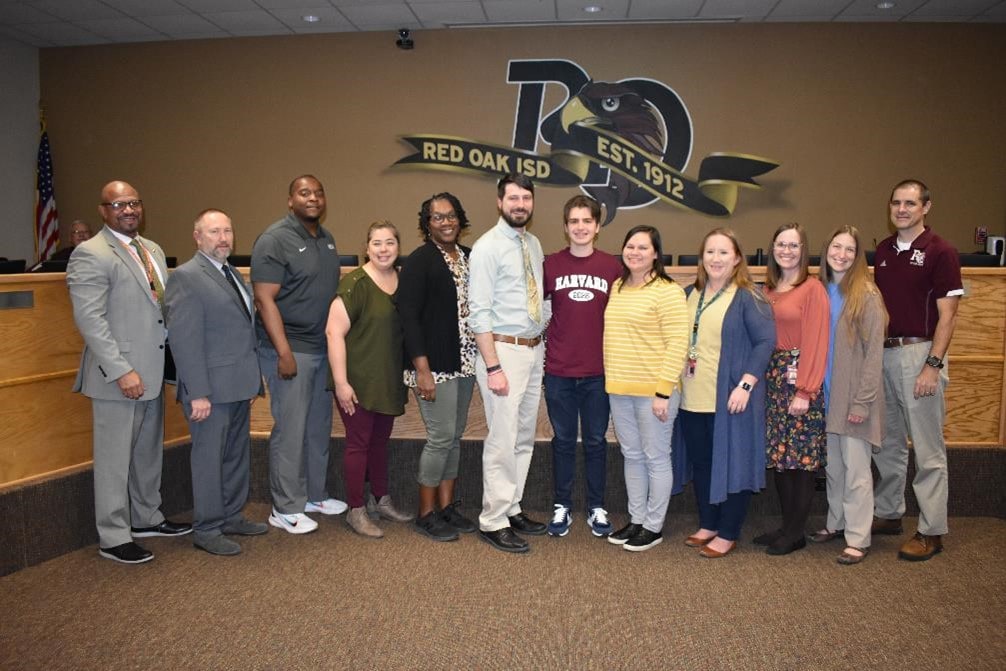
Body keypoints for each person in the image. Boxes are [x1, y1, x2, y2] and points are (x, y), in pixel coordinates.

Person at [66, 181, 191, 564]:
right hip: (118, 377)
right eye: (118, 204)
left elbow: (160, 309)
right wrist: (121, 370)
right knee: (115, 459)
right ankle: (114, 535)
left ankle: (147, 517)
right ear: (103, 211)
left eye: (134, 202)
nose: (128, 209)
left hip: (152, 371)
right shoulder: (90, 254)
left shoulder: (151, 249)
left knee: (146, 454)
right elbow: (90, 320)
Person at [165, 209, 268, 556]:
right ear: (197, 237)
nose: (223, 238)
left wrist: (252, 381)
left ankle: (230, 515)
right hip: (209, 391)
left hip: (238, 385)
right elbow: (184, 341)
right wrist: (198, 393)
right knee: (209, 459)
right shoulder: (186, 277)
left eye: (227, 230)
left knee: (236, 455)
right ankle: (207, 527)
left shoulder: (232, 273)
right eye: (213, 232)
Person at [671, 228, 775, 559]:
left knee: (734, 463)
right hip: (692, 396)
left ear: (737, 259)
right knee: (702, 463)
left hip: (731, 397)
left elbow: (765, 343)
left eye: (723, 253)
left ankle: (728, 531)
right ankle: (709, 523)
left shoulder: (749, 296)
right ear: (702, 258)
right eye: (710, 252)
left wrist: (746, 384)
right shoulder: (689, 293)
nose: (716, 259)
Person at [873, 179, 962, 561]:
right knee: (888, 443)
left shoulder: (940, 251)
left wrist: (932, 365)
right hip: (884, 355)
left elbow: (949, 315)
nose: (902, 209)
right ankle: (890, 512)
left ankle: (931, 530)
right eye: (896, 203)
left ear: (926, 207)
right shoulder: (883, 250)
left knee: (928, 451)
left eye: (910, 203)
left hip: (920, 354)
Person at [252, 175, 346, 535]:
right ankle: (285, 507)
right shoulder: (275, 239)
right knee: (290, 429)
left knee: (317, 426)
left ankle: (313, 495)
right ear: (290, 200)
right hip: (289, 350)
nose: (313, 198)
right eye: (305, 193)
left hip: (321, 349)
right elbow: (264, 298)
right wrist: (283, 352)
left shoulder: (327, 238)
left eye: (319, 193)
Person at [468, 173, 548, 553]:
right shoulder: (487, 247)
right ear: (499, 203)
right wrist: (494, 366)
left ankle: (512, 506)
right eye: (513, 198)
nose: (520, 204)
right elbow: (478, 313)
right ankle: (492, 519)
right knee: (502, 438)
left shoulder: (532, 243)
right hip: (503, 352)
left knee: (522, 437)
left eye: (526, 198)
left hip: (533, 349)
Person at [398, 193, 478, 542]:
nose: (446, 222)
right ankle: (425, 513)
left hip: (464, 363)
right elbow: (409, 317)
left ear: (460, 219)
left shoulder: (469, 257)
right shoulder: (419, 261)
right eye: (437, 218)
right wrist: (422, 369)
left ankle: (447, 508)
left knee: (454, 437)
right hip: (434, 366)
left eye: (451, 216)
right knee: (440, 437)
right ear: (427, 223)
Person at [603, 225, 688, 552]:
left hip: (655, 392)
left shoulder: (668, 291)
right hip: (620, 389)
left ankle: (653, 526)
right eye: (630, 246)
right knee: (632, 455)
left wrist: (664, 391)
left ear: (656, 253)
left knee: (655, 457)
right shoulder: (618, 286)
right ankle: (637, 520)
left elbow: (678, 343)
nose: (635, 252)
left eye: (643, 247)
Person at [542, 195, 621, 538]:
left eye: (586, 221)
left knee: (594, 442)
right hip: (559, 370)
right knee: (561, 440)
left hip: (598, 372)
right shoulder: (550, 265)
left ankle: (596, 506)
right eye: (574, 221)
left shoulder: (612, 268)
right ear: (565, 226)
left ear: (597, 226)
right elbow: (539, 314)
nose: (580, 227)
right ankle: (561, 505)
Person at [327, 221, 412, 538]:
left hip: (387, 380)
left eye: (390, 242)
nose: (384, 249)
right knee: (358, 445)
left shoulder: (402, 281)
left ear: (398, 247)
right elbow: (334, 332)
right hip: (357, 381)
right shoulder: (356, 284)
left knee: (379, 444)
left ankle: (380, 499)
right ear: (367, 248)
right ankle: (356, 509)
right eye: (377, 243)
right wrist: (341, 382)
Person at [810, 225, 887, 565]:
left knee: (857, 471)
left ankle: (858, 537)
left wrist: (862, 401)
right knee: (835, 468)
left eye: (849, 250)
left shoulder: (866, 294)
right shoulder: (821, 289)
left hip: (855, 398)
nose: (841, 254)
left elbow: (874, 356)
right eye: (836, 247)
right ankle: (836, 523)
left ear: (858, 257)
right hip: (826, 396)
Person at [757, 222, 829, 555]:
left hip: (800, 380)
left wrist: (806, 390)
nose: (787, 250)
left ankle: (797, 531)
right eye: (781, 244)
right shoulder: (769, 289)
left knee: (801, 460)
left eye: (794, 245)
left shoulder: (812, 288)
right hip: (774, 382)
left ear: (804, 250)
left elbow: (817, 340)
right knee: (781, 458)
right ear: (773, 248)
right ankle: (787, 526)